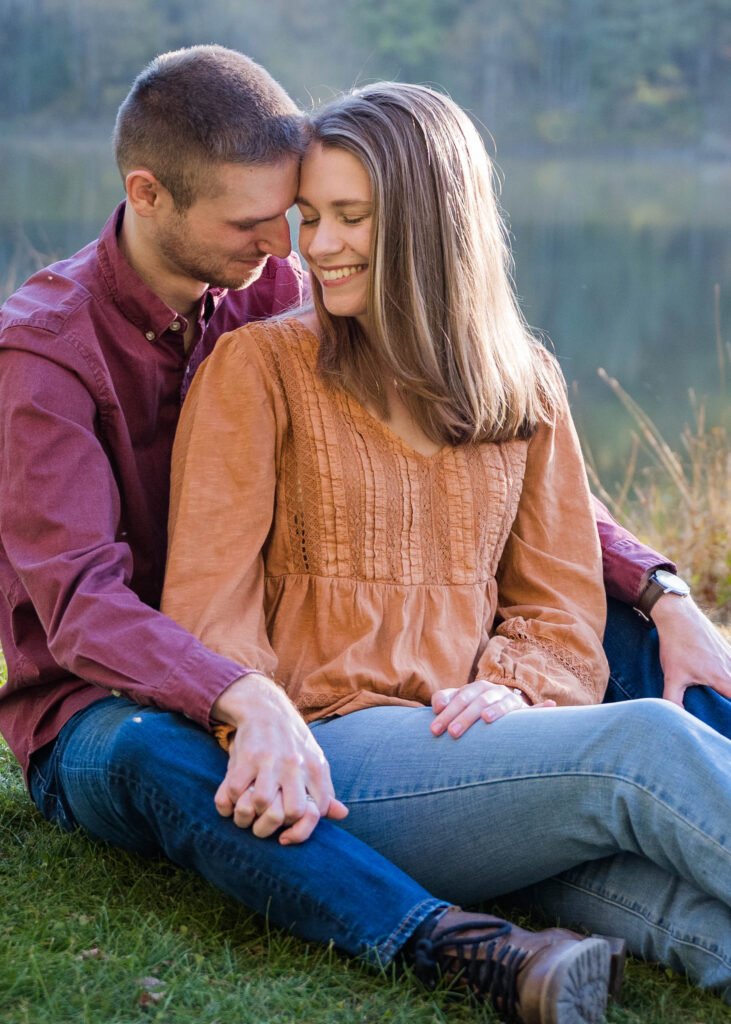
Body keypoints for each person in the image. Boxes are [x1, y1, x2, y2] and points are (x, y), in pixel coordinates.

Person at [0, 44, 726, 1023]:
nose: (295, 248)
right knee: (640, 741)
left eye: (321, 215)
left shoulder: (281, 291)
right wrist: (245, 698)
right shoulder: (61, 356)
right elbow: (88, 604)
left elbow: (523, 509)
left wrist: (654, 589)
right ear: (150, 194)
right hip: (155, 707)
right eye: (280, 220)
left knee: (657, 805)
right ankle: (444, 941)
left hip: (448, 727)